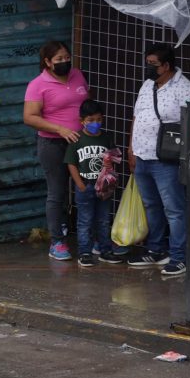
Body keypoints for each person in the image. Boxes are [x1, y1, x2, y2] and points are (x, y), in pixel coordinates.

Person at [127, 43, 190, 276]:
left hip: (166, 159)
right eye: (147, 63)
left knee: (174, 209)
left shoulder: (186, 89)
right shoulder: (147, 85)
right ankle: (156, 250)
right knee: (151, 205)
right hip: (142, 155)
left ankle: (179, 256)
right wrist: (131, 148)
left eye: (153, 65)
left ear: (167, 65)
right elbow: (137, 116)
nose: (148, 69)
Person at [24, 40, 90, 261]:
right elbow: (30, 117)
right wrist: (60, 129)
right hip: (53, 144)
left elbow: (85, 105)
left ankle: (89, 239)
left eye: (67, 57)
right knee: (57, 193)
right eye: (59, 59)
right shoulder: (37, 84)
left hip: (81, 142)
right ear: (47, 62)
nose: (64, 62)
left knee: (86, 187)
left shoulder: (77, 75)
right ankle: (57, 242)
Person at [63, 99, 123, 267]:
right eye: (90, 120)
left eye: (98, 120)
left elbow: (115, 156)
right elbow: (71, 163)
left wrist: (110, 163)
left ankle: (105, 250)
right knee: (85, 221)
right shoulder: (77, 140)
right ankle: (85, 253)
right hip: (85, 185)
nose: (95, 123)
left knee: (104, 220)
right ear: (82, 121)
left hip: (104, 187)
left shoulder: (106, 138)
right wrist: (80, 184)